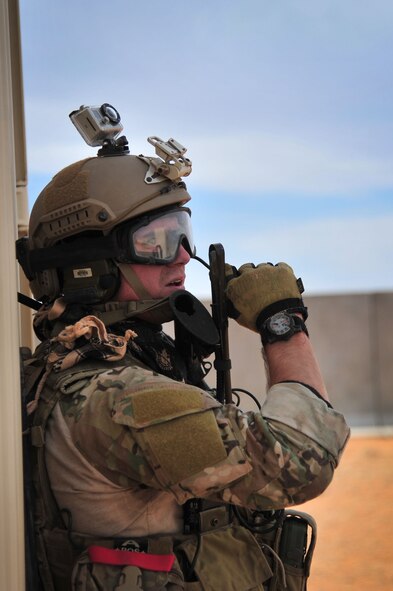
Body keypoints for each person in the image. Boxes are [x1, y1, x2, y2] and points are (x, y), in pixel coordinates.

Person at [17, 118, 350, 591]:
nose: (181, 256)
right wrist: (283, 323)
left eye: (183, 234)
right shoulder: (113, 395)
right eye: (155, 241)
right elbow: (300, 463)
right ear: (89, 265)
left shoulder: (107, 369)